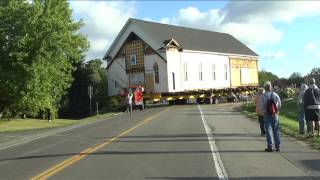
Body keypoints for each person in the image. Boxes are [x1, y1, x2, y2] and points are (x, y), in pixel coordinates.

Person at [262, 81, 281, 152]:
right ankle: (278, 146)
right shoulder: (275, 94)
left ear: (265, 88)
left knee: (268, 130)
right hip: (275, 114)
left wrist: (264, 111)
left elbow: (262, 106)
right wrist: (277, 110)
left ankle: (270, 146)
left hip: (267, 114)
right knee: (276, 130)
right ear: (270, 87)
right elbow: (279, 104)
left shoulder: (263, 96)